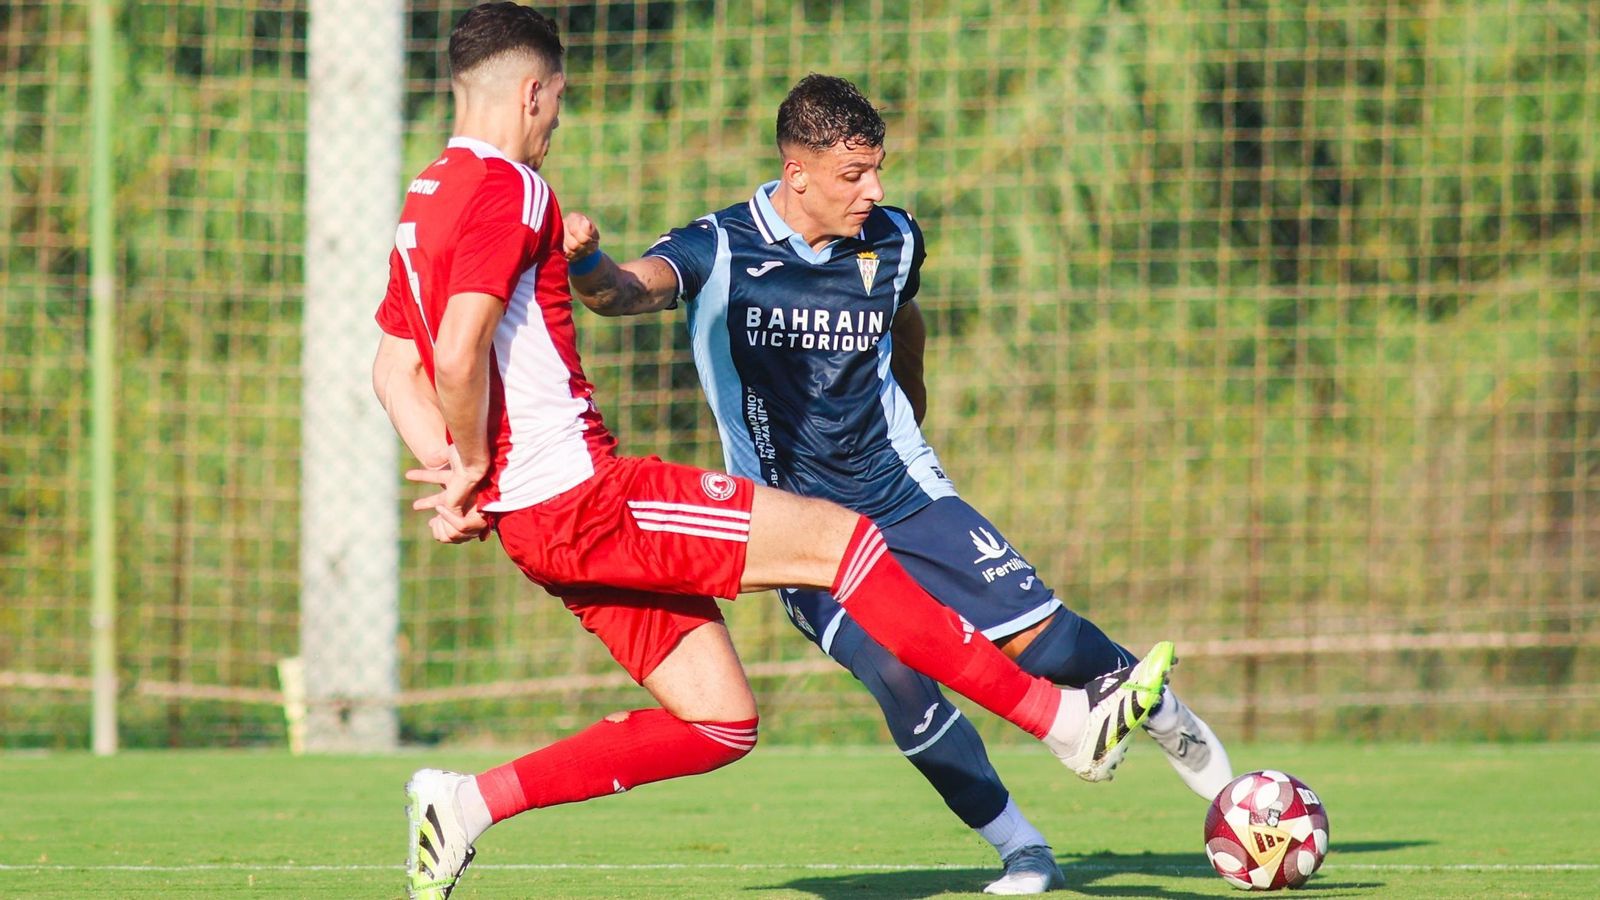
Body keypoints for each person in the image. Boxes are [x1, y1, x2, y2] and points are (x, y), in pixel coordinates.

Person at [371, 8, 1176, 899]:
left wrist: (453, 475)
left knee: (719, 722)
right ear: (533, 91)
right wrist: (477, 466)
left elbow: (393, 368)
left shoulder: (425, 198)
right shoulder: (515, 188)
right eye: (557, 100)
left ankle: (466, 803)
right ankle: (1062, 722)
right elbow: (451, 355)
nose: (557, 119)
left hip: (538, 520)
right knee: (840, 539)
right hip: (577, 496)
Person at [565, 73, 1234, 895]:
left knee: (1049, 645)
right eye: (854, 175)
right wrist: (586, 257)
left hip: (903, 494)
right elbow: (621, 294)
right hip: (792, 528)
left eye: (878, 169)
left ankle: (1184, 737)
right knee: (899, 676)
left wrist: (911, 401)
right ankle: (1024, 850)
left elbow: (901, 316)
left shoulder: (894, 239)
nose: (873, 190)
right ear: (797, 171)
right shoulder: (724, 246)